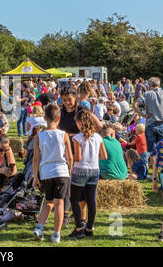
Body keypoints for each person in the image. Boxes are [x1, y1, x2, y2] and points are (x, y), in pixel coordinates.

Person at [32, 104, 73, 243]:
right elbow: (70, 157)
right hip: (61, 171)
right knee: (59, 203)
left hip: (46, 173)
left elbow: (36, 158)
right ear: (59, 118)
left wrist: (35, 176)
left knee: (48, 202)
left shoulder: (39, 136)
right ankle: (56, 234)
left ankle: (39, 226)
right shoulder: (64, 135)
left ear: (44, 118)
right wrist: (70, 170)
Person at [69, 108, 107, 239]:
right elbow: (104, 156)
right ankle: (89, 228)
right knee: (91, 201)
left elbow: (78, 158)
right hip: (94, 170)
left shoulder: (77, 138)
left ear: (80, 123)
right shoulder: (98, 137)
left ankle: (79, 227)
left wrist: (68, 157)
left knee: (74, 199)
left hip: (80, 170)